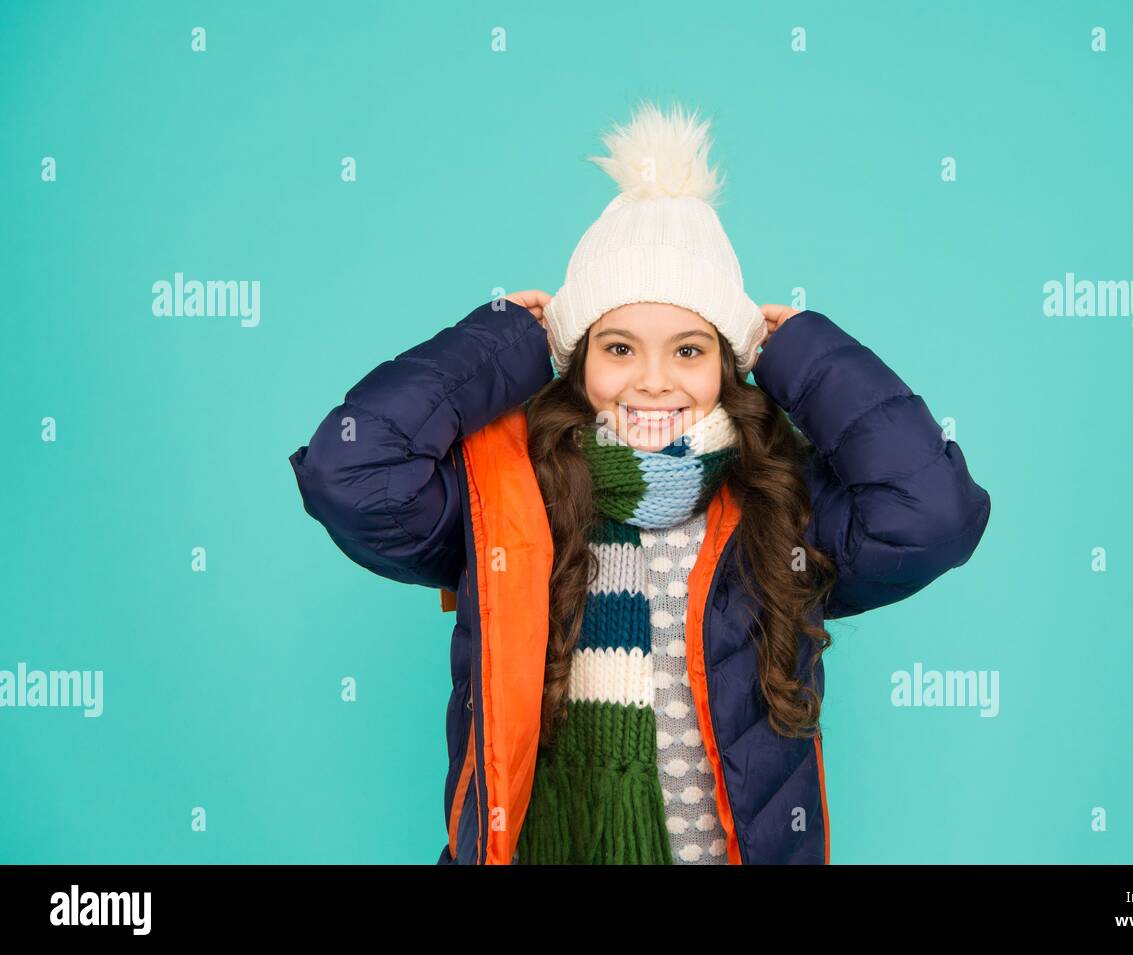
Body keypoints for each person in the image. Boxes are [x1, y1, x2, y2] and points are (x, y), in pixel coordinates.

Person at [288, 100, 992, 864]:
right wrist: (500, 344)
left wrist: (806, 356)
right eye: (619, 347)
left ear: (731, 364)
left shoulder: (779, 506)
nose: (653, 381)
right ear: (577, 360)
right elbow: (348, 473)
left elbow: (934, 517)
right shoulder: (509, 500)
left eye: (689, 350)